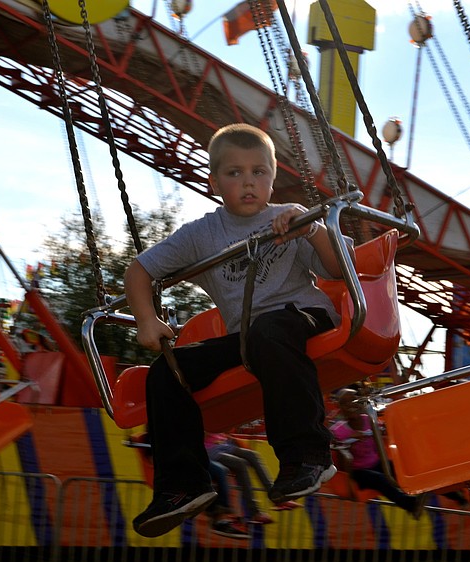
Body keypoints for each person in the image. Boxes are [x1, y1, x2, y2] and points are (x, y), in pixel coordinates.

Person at [125, 123, 353, 538]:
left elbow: (339, 270)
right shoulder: (203, 234)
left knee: (269, 332)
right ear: (214, 182)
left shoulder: (288, 217)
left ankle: (306, 456)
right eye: (235, 173)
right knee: (167, 370)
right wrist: (147, 320)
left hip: (302, 315)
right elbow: (139, 270)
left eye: (258, 172)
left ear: (272, 176)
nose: (248, 182)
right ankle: (183, 486)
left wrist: (313, 229)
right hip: (249, 336)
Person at [329, 388, 426, 519]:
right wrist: (348, 442)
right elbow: (337, 455)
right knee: (379, 479)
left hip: (376, 463)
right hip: (358, 471)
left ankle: (429, 486)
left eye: (354, 401)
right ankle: (410, 504)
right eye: (346, 403)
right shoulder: (338, 430)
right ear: (340, 408)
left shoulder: (369, 421)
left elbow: (383, 432)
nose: (351, 405)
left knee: (397, 468)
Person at [205, 433, 301, 524]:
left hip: (223, 444)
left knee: (253, 455)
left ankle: (276, 496)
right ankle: (255, 511)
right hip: (210, 449)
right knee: (240, 463)